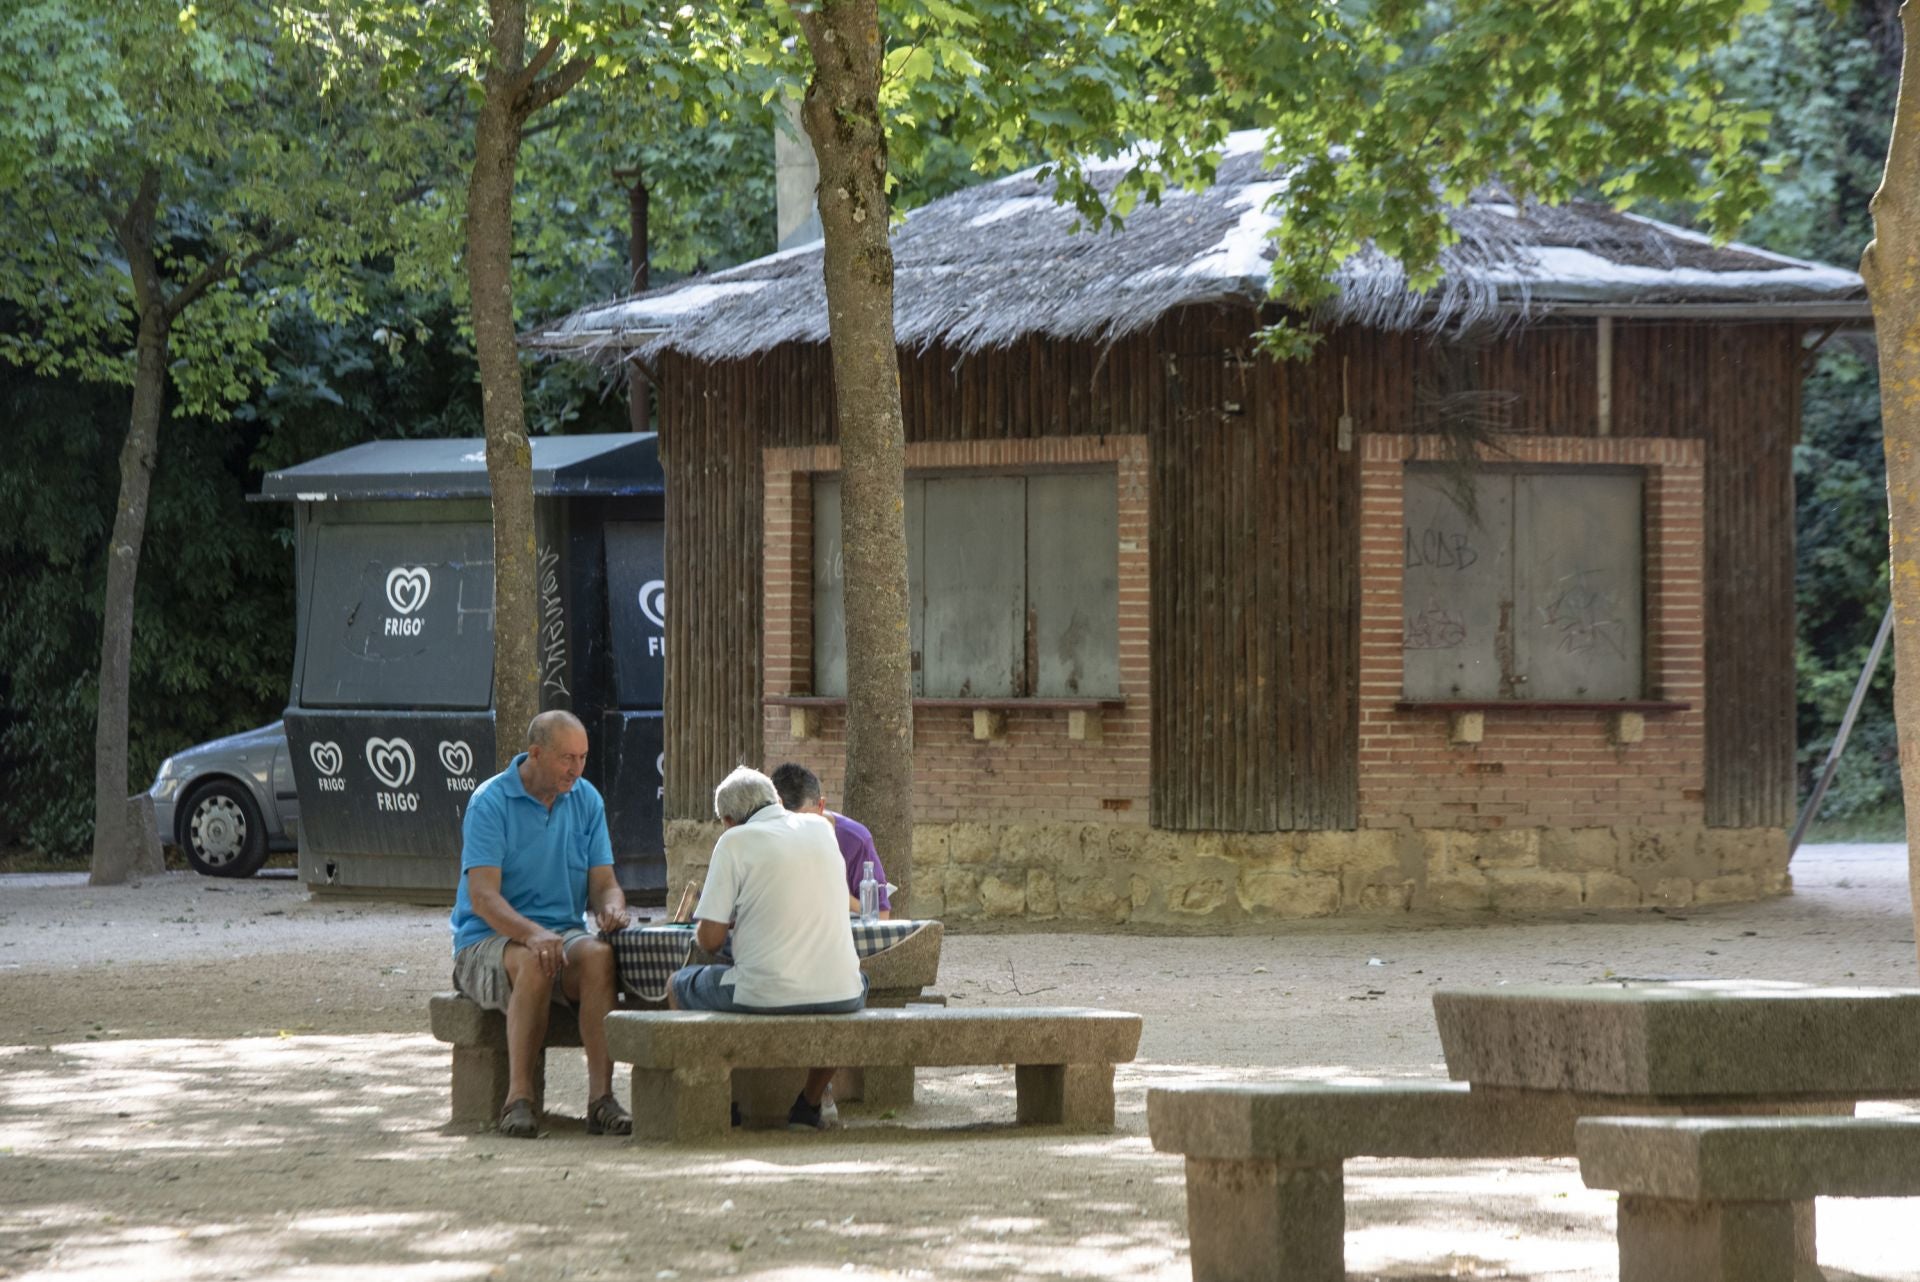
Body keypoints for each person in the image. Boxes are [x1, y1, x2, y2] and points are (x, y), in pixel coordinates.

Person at [448, 710, 631, 1140]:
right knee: (534, 960)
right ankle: (519, 1099)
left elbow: (605, 883)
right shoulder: (490, 801)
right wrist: (531, 933)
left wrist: (612, 909)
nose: (577, 769)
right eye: (568, 758)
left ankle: (601, 1100)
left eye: (583, 758)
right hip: (488, 938)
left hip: (560, 934)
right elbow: (483, 897)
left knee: (599, 956)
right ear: (535, 753)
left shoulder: (587, 799)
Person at [668, 765, 867, 1129]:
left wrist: (725, 922)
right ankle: (808, 1104)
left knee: (679, 985)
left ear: (729, 820)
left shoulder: (734, 841)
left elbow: (709, 941)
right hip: (844, 994)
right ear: (776, 799)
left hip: (764, 993)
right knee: (854, 982)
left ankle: (716, 1099)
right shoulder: (821, 829)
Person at [769, 762, 890, 920]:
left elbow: (881, 916)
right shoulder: (764, 837)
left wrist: (837, 894)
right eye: (785, 822)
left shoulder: (855, 840)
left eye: (804, 820)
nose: (796, 830)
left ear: (820, 805)